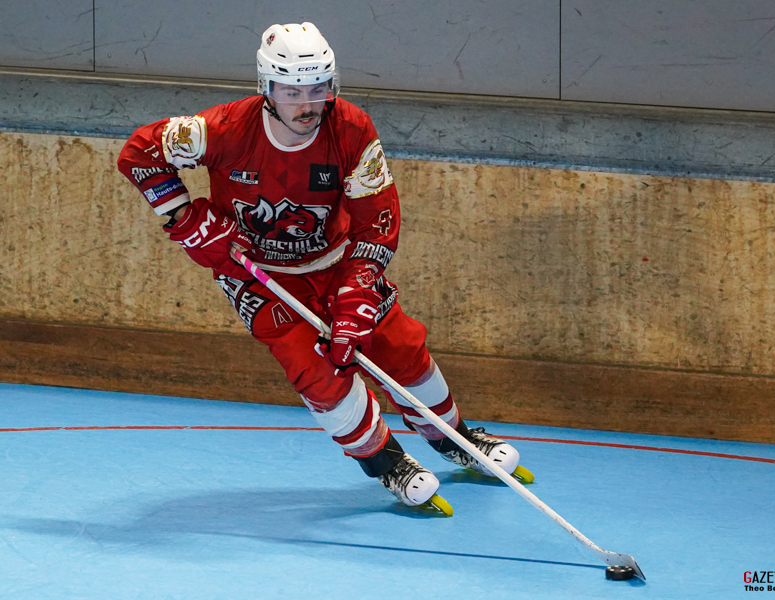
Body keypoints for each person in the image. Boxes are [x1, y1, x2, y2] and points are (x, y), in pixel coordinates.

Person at [117, 22, 531, 513]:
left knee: (397, 345)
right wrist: (185, 217)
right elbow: (139, 152)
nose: (307, 104)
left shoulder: (352, 129)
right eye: (292, 90)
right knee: (316, 372)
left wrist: (356, 292)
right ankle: (386, 462)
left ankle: (452, 437)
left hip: (337, 262)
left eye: (318, 88)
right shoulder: (220, 129)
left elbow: (377, 222)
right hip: (254, 275)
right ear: (265, 88)